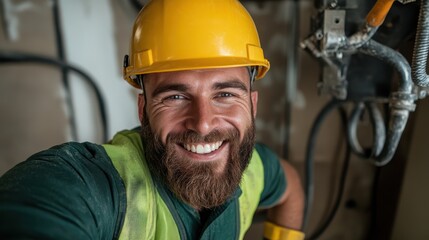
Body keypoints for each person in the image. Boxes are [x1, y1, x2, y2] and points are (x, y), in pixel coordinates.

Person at [0, 0, 304, 239]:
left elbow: (290, 188)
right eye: (175, 97)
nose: (203, 123)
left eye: (225, 94)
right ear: (143, 109)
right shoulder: (97, 187)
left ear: (252, 104)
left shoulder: (251, 168)